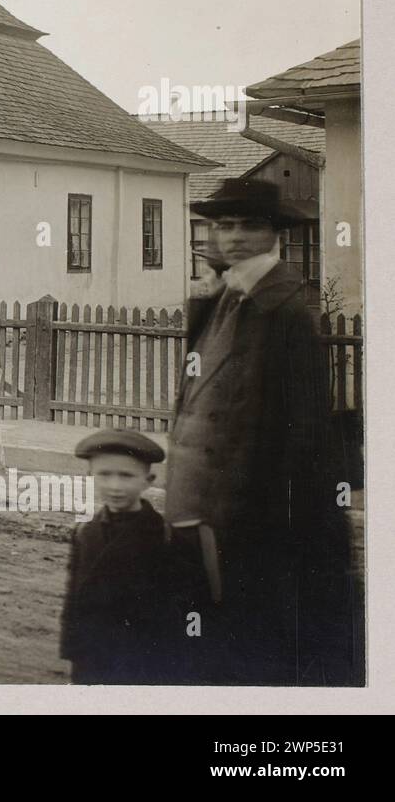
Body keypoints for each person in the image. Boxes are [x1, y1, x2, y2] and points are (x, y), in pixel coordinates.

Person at [167, 178, 356, 686]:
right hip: (205, 497)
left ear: (275, 234)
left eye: (250, 224)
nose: (234, 236)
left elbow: (302, 427)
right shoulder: (225, 296)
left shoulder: (284, 313)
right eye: (224, 225)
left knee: (255, 636)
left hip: (255, 507)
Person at [60, 428, 182, 685]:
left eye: (126, 476)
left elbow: (190, 608)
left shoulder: (166, 537)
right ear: (90, 475)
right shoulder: (85, 532)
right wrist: (74, 655)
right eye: (104, 475)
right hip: (91, 661)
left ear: (148, 480)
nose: (114, 486)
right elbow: (75, 601)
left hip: (145, 664)